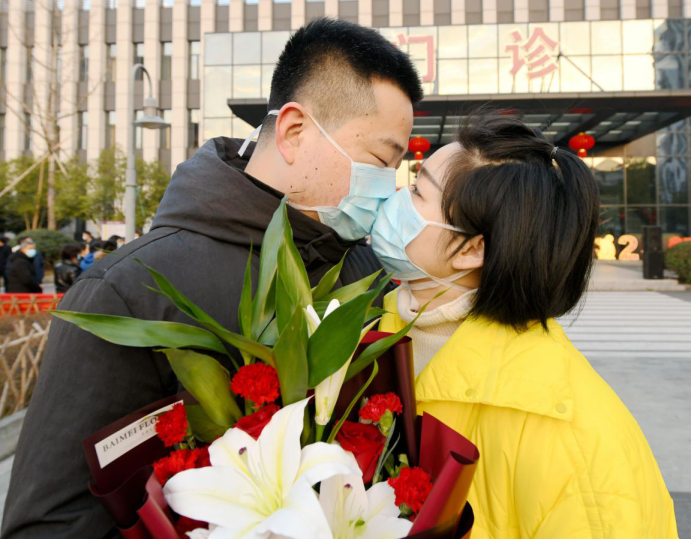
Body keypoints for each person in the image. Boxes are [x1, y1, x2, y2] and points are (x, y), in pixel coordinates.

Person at [2, 18, 423, 538]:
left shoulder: (365, 272)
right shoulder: (129, 290)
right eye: (382, 160)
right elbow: (50, 522)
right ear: (294, 131)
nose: (388, 186)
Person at [375, 112, 678, 538]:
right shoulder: (372, 333)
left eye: (416, 191)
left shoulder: (574, 443)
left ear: (471, 248)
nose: (395, 201)